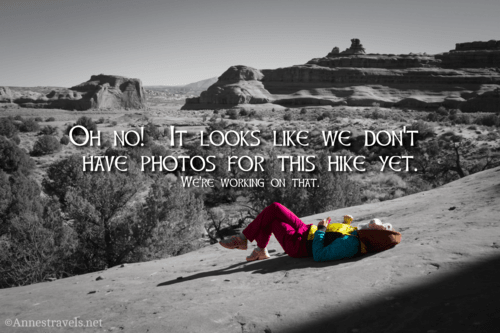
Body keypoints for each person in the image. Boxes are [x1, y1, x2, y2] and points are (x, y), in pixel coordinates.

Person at [219, 202, 362, 262]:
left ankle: (242, 239)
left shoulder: (351, 244)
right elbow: (335, 236)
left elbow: (319, 254)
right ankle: (259, 249)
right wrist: (346, 223)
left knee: (273, 211)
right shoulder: (355, 233)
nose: (369, 224)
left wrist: (322, 229)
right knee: (273, 211)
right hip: (305, 230)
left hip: (298, 245)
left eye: (373, 226)